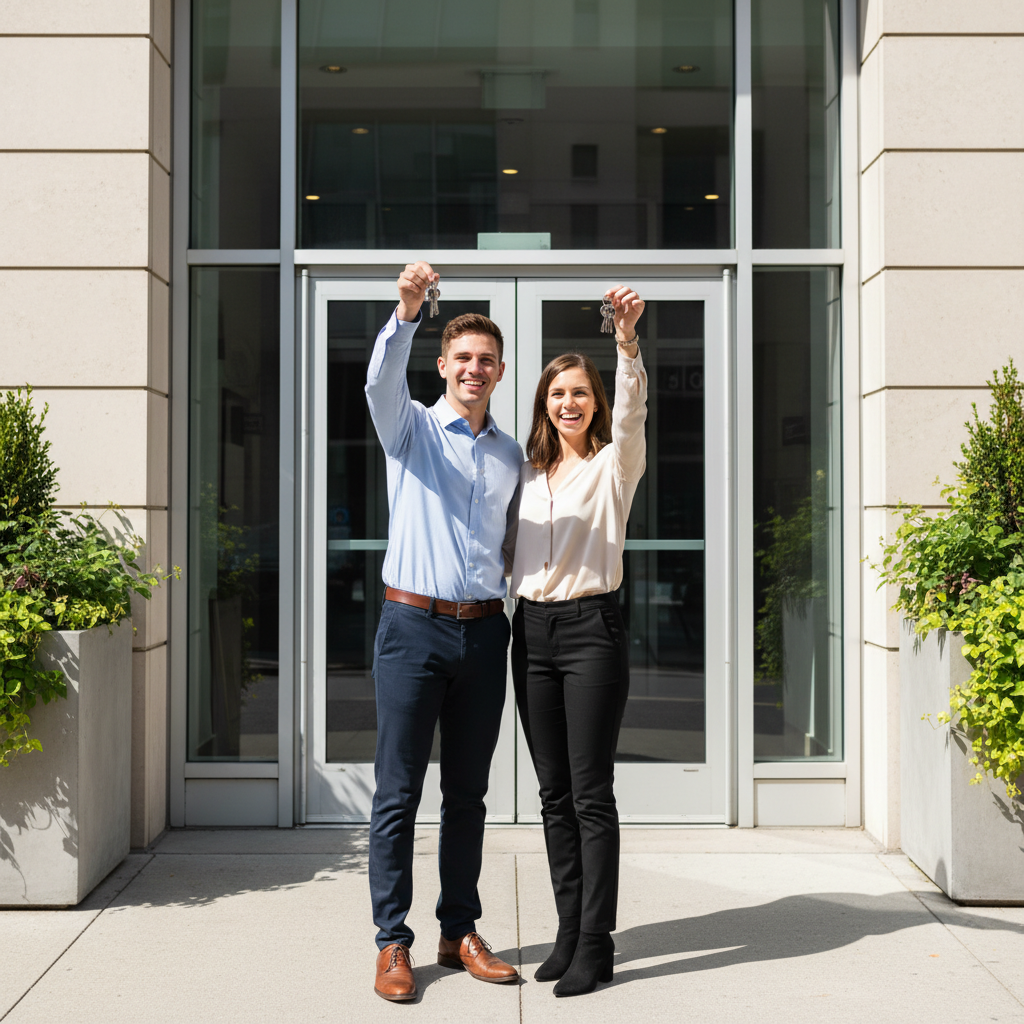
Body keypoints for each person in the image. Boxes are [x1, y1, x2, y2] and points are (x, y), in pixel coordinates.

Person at [365, 261, 523, 1002]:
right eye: (462, 357)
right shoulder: (412, 428)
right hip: (412, 628)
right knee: (398, 794)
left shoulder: (511, 453)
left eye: (486, 359)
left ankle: (458, 931)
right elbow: (378, 383)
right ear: (443, 365)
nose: (474, 368)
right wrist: (407, 308)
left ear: (498, 371)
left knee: (468, 796)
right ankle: (392, 943)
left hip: (485, 635)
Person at [510, 285, 647, 998]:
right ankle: (568, 930)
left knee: (592, 794)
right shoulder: (526, 475)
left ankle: (598, 942)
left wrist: (625, 346)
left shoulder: (611, 469)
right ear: (543, 403)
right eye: (558, 394)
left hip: (592, 631)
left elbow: (631, 417)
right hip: (529, 632)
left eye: (580, 393)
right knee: (553, 794)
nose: (569, 403)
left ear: (594, 400)